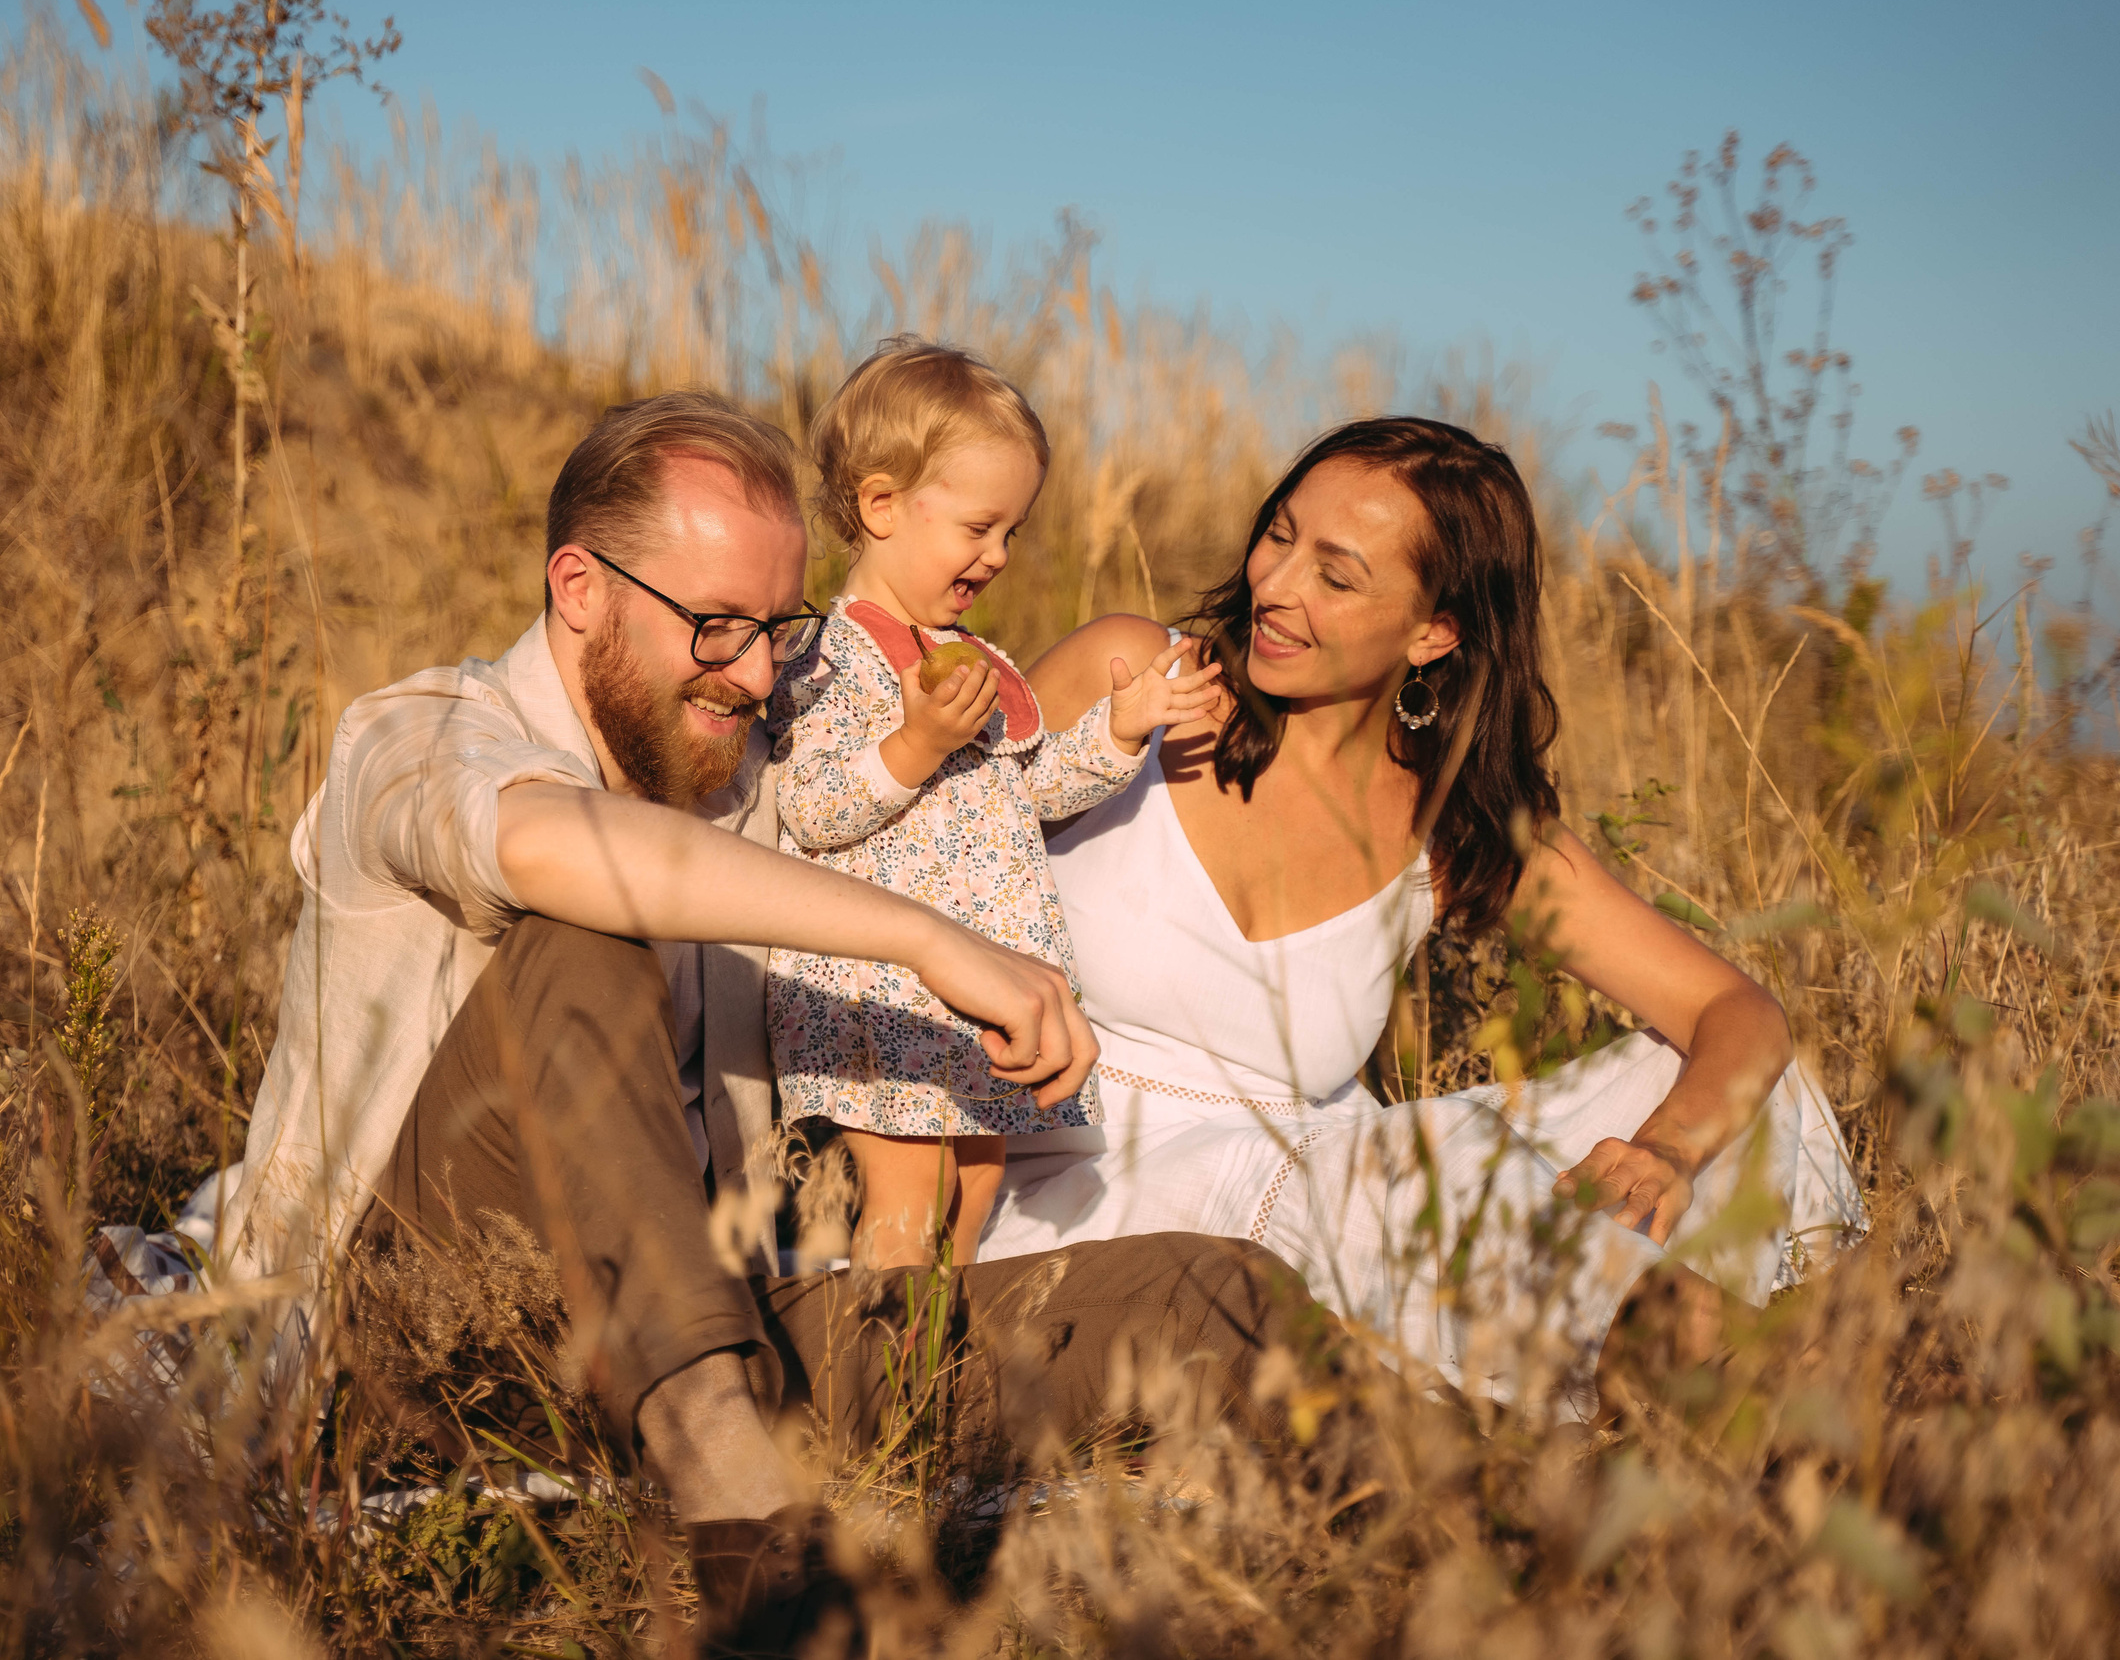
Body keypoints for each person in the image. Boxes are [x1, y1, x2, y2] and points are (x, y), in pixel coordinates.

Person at [198, 391, 1324, 1656]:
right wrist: (931, 944)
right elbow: (559, 847)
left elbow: (954, 790)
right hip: (416, 1331)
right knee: (577, 938)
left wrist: (1128, 721)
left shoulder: (751, 759)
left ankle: (1493, 1485)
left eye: (779, 627)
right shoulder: (417, 735)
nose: (753, 670)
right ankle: (746, 1518)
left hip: (719, 1320)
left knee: (1205, 1291)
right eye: (715, 626)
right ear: (580, 588)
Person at [975, 416, 1867, 1419]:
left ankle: (1691, 1358)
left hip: (1334, 1177)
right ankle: (1763, 1388)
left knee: (1735, 1089)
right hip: (1083, 1193)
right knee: (1353, 1177)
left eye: (1337, 575)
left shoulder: (1446, 820)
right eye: (1278, 536)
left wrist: (1661, 1150)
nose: (1275, 587)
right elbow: (917, 857)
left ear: (1432, 631)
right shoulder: (1134, 679)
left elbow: (1734, 1012)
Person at [768, 339, 1221, 1269]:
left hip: (968, 994)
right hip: (880, 990)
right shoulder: (838, 656)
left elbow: (1031, 790)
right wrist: (914, 744)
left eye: (1012, 531)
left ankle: (928, 1370)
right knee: (910, 1192)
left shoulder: (977, 657)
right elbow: (813, 808)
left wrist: (1121, 728)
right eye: (980, 526)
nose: (999, 554)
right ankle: (873, 1380)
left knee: (976, 1184)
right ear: (882, 504)